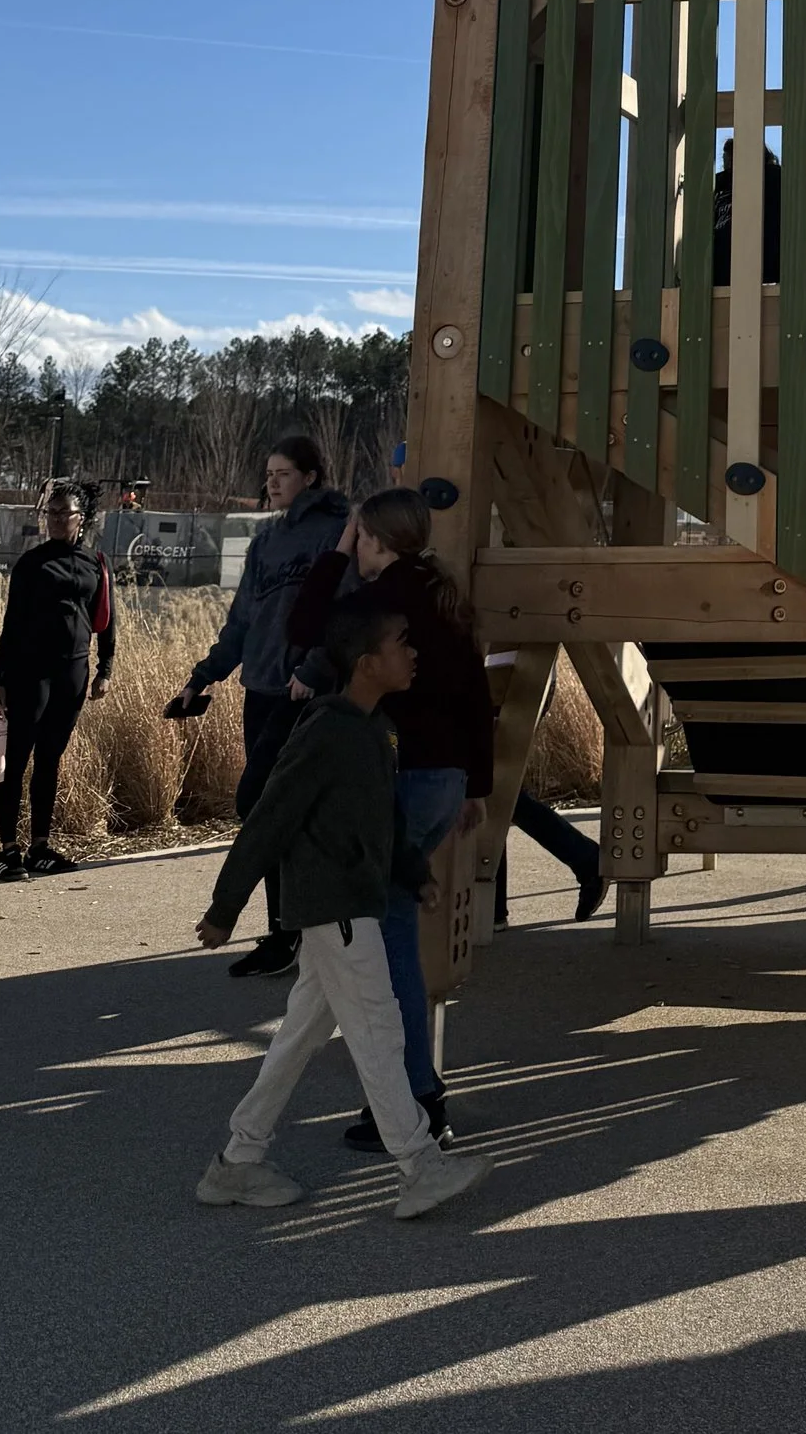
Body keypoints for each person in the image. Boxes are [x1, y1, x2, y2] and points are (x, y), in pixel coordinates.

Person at [192, 593, 491, 1221]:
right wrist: (225, 908)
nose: (413, 653)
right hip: (336, 909)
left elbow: (382, 819)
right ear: (364, 663)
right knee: (379, 1031)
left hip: (352, 902)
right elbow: (269, 817)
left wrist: (413, 874)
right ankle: (419, 1164)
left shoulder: (372, 729)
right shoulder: (328, 732)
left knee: (299, 1036)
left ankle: (239, 1161)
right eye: (401, 643)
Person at [287, 488, 495, 1144]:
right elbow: (476, 694)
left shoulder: (382, 601)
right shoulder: (442, 595)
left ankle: (412, 1099)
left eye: (359, 534)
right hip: (445, 778)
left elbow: (303, 625)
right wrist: (475, 785)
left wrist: (335, 555)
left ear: (373, 537)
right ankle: (412, 1094)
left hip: (397, 778)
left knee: (383, 947)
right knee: (392, 926)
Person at [167, 432, 349, 980]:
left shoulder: (335, 533)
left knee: (264, 807)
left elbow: (340, 611)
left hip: (306, 694)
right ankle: (292, 930)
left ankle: (292, 930)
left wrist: (313, 670)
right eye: (267, 474)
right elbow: (242, 621)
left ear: (310, 477)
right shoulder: (265, 542)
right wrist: (203, 677)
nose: (270, 482)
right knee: (269, 811)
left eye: (283, 474)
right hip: (261, 688)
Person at [0, 482, 115, 879]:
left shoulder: (96, 562)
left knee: (50, 760)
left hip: (73, 673)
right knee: (15, 759)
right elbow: (11, 625)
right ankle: (8, 848)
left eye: (65, 513)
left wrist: (105, 669)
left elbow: (107, 620)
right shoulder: (32, 564)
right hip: (31, 672)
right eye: (51, 513)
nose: (57, 520)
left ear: (82, 518)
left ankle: (40, 846)